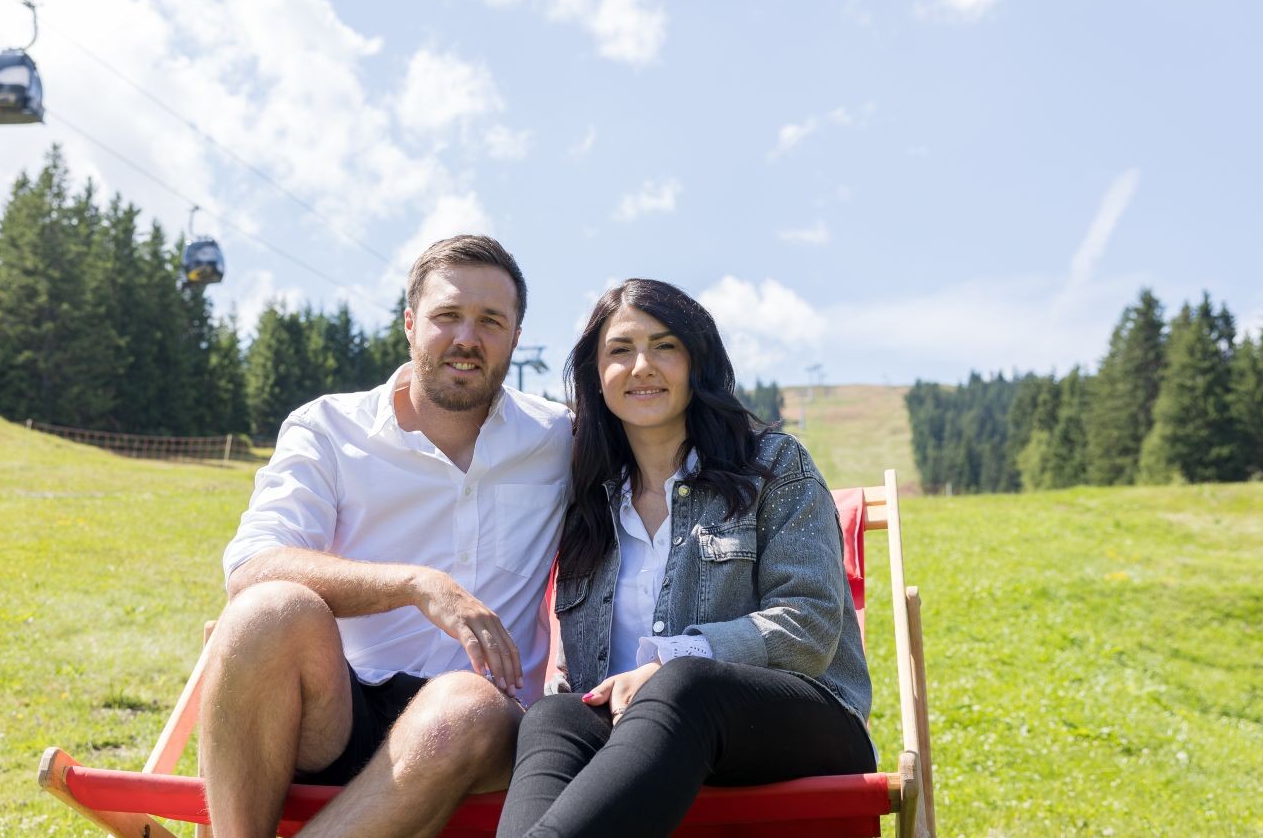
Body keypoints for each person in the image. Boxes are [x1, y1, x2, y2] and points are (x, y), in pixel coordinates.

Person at [201, 235, 572, 838]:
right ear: (409, 324)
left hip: (479, 729)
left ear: (515, 337)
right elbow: (250, 566)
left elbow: (664, 454)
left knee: (466, 705)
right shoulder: (328, 428)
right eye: (447, 316)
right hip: (335, 716)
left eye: (490, 321)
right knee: (267, 609)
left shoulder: (559, 439)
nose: (466, 339)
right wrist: (414, 585)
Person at [496, 279, 876, 838]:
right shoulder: (586, 502)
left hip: (797, 725)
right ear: (596, 379)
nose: (641, 365)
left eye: (665, 346)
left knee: (682, 684)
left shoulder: (771, 465)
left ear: (697, 363)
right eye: (620, 350)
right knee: (556, 716)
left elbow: (810, 627)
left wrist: (665, 662)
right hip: (640, 742)